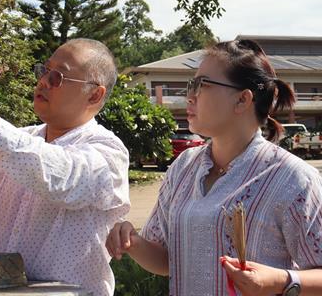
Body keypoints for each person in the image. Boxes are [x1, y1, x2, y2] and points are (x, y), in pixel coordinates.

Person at [107, 39, 322, 296]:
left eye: (202, 85)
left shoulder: (292, 179)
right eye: (191, 84)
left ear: (243, 100)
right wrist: (133, 242)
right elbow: (167, 261)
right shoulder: (183, 167)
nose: (189, 96)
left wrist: (280, 281)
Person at [0, 38, 130, 296]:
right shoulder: (19, 139)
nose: (43, 81)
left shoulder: (109, 151)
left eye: (57, 77)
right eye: (44, 71)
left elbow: (62, 178)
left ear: (94, 94)